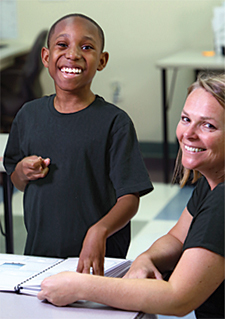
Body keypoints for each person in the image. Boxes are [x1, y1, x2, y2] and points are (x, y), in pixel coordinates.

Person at [37, 72, 225, 318]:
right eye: (186, 119)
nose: (188, 134)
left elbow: (177, 299)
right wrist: (147, 259)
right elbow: (178, 239)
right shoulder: (211, 180)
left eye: (208, 125)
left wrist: (79, 286)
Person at [3, 14, 153, 274]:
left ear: (102, 61)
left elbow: (130, 197)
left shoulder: (115, 122)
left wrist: (99, 231)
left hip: (96, 259)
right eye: (62, 45)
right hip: (40, 256)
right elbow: (16, 180)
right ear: (46, 57)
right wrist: (22, 171)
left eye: (86, 47)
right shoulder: (28, 115)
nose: (73, 55)